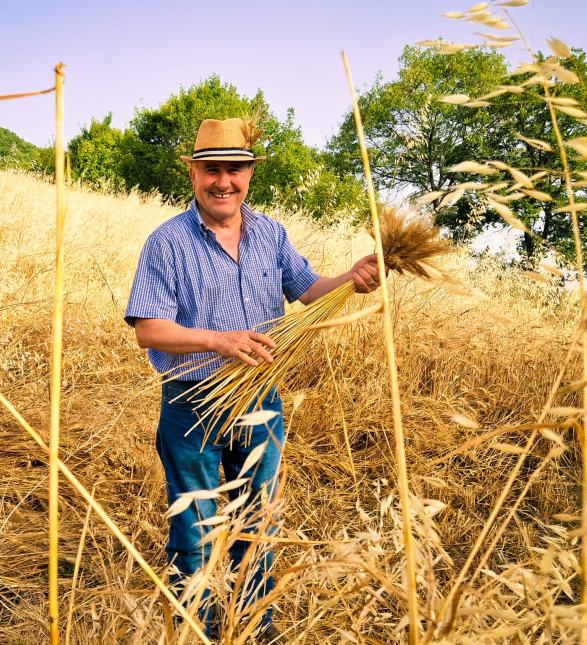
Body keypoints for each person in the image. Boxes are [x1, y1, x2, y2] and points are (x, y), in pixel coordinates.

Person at [124, 117, 379, 640]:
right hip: (191, 404)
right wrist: (219, 340)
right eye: (212, 170)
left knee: (258, 529)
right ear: (193, 174)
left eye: (234, 170)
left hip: (260, 403)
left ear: (249, 176)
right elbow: (148, 329)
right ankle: (197, 631)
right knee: (194, 534)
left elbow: (309, 290)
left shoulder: (271, 234)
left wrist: (350, 280)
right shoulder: (167, 242)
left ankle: (251, 631)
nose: (224, 182)